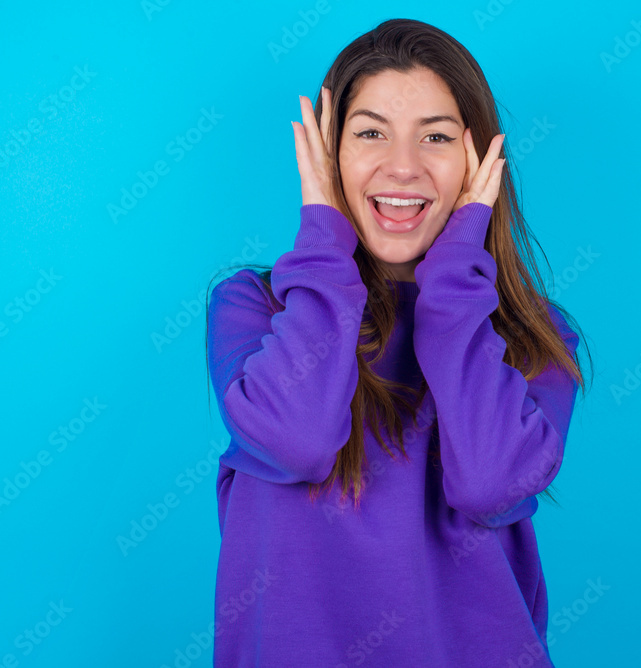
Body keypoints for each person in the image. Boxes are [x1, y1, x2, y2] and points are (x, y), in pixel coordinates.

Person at [205, 17, 590, 667]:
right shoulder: (255, 310)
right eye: (370, 133)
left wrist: (455, 281)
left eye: (435, 136)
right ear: (328, 153)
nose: (403, 167)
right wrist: (323, 236)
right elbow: (298, 442)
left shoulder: (537, 340)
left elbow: (490, 484)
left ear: (479, 162)